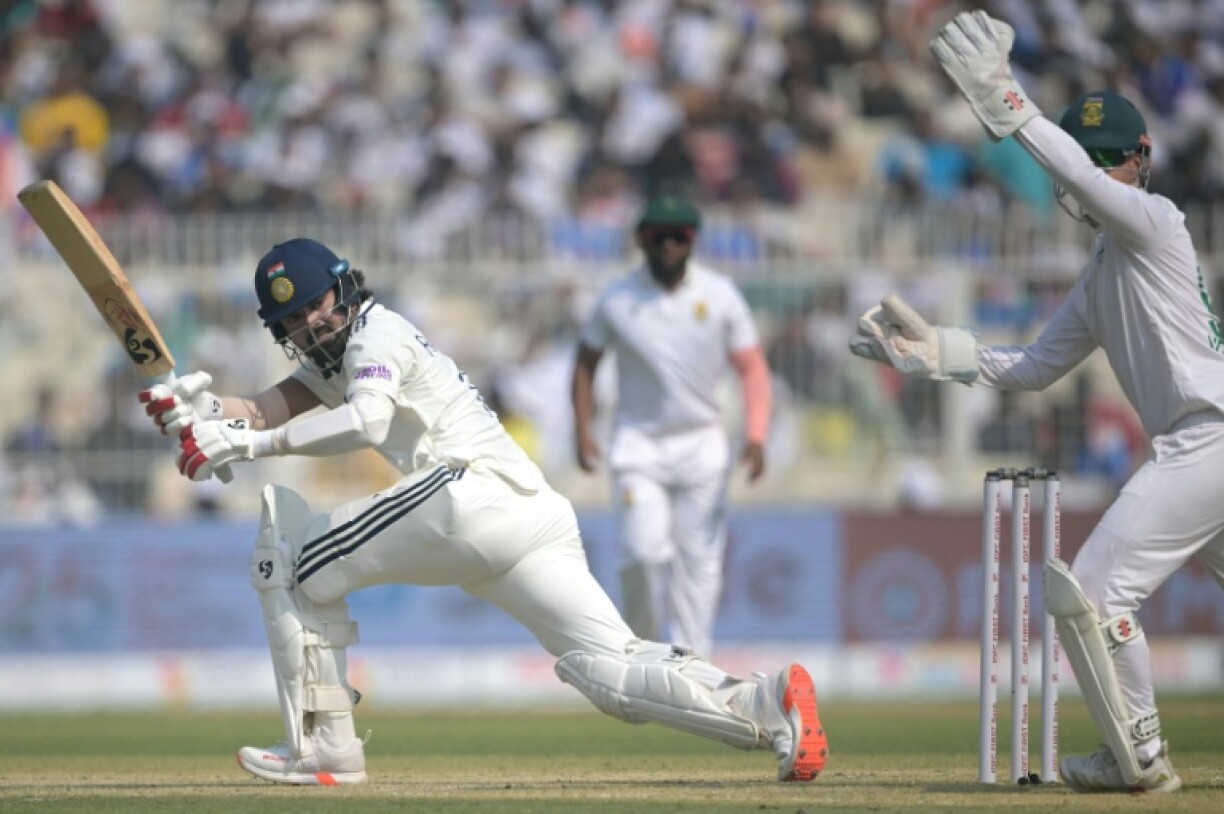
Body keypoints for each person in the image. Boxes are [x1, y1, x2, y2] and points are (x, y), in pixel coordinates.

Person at [138, 237, 825, 785]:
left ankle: (325, 749)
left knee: (286, 562)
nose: (312, 322)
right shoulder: (335, 356)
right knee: (613, 676)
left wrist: (251, 444)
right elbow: (263, 406)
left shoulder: (378, 337)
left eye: (318, 304)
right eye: (294, 320)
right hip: (528, 512)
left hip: (466, 495)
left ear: (345, 289)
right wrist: (199, 407)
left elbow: (367, 423)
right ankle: (767, 704)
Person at [851, 10, 1224, 794]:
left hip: (1207, 439)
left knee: (1092, 590)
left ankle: (1142, 754)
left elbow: (1086, 181)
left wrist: (1007, 101)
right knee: (1098, 590)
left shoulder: (1156, 223)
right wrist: (934, 356)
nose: (1084, 181)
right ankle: (1136, 748)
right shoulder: (1100, 276)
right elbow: (1032, 367)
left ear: (1140, 161)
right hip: (1200, 450)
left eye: (1103, 165)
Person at [570, 196, 773, 658]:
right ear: (641, 238)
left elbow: (753, 369)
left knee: (698, 562)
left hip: (701, 443)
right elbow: (585, 363)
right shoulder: (617, 298)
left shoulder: (720, 295)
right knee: (643, 554)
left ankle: (692, 665)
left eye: (679, 235)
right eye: (658, 234)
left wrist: (757, 434)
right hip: (638, 444)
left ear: (692, 240)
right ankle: (643, 653)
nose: (668, 244)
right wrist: (581, 429)